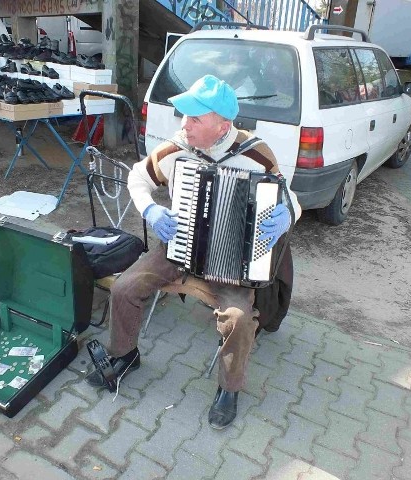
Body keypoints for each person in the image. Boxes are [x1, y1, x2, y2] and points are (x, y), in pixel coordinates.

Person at [84, 75, 302, 429]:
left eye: (195, 118)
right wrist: (151, 210)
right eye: (183, 115)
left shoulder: (256, 154)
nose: (183, 125)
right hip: (178, 250)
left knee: (239, 318)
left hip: (231, 265)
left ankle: (229, 389)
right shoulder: (176, 148)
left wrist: (287, 214)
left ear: (223, 126)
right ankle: (125, 355)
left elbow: (290, 197)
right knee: (124, 288)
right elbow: (138, 178)